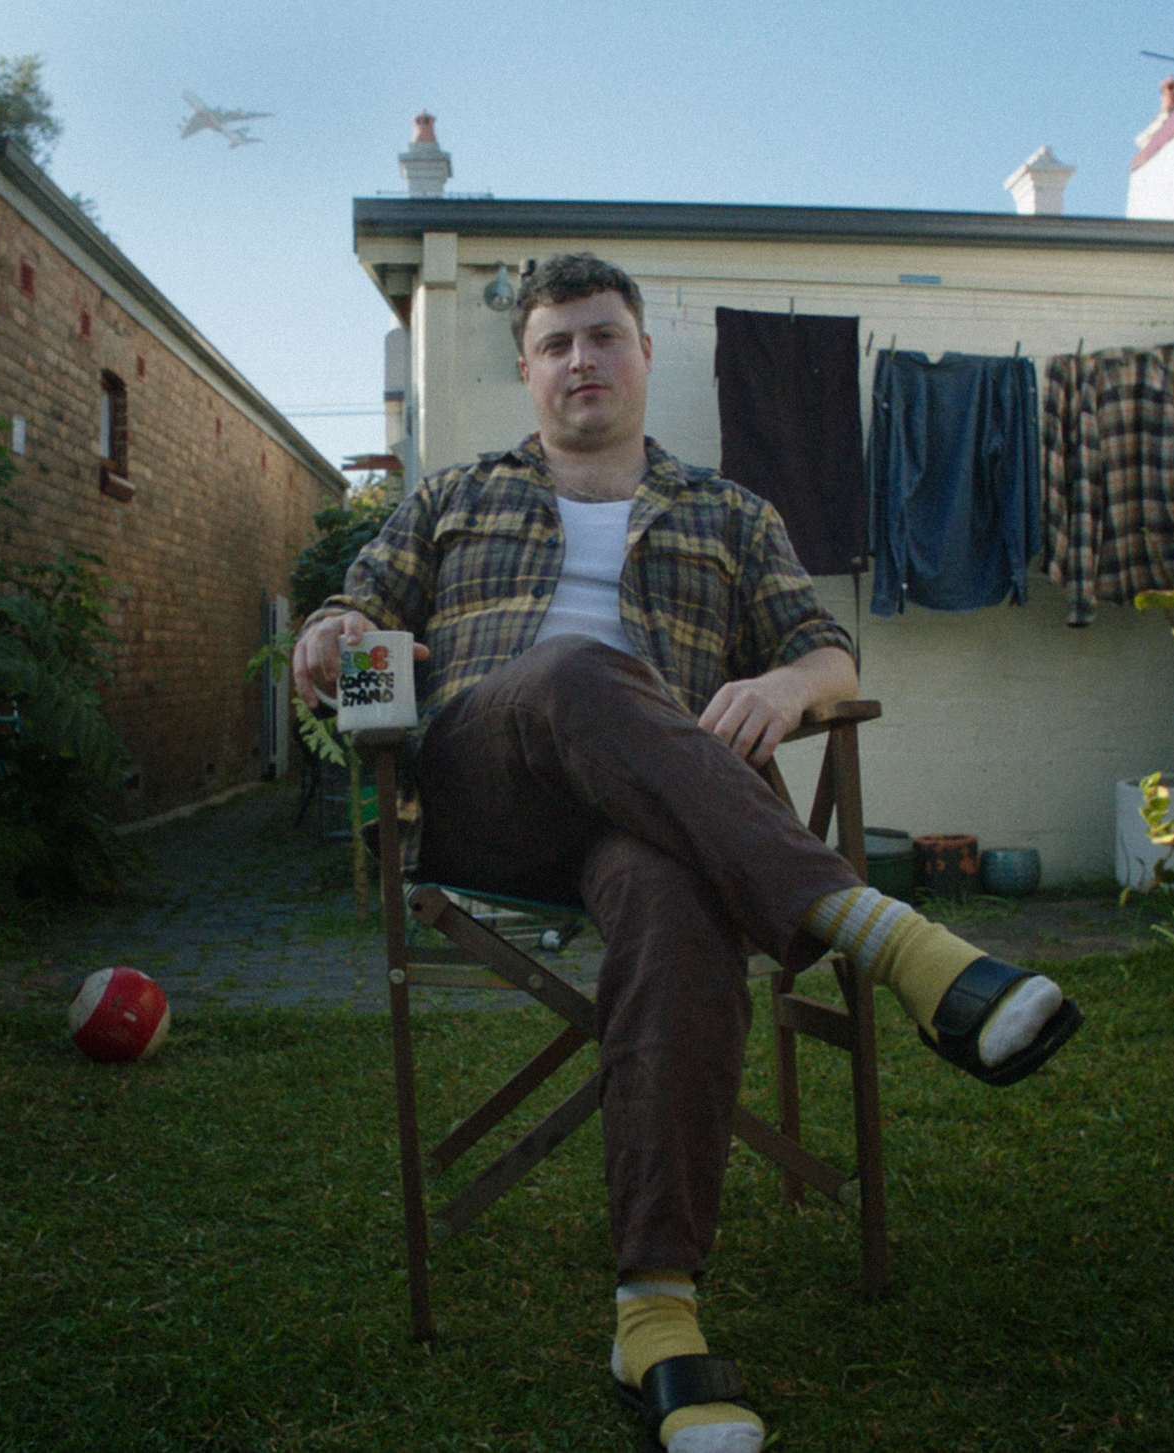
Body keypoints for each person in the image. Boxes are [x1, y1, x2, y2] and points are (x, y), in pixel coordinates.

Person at [293, 254, 1081, 1453]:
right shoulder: (452, 495)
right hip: (491, 798)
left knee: (674, 896)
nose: (581, 360)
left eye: (602, 335)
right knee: (574, 669)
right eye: (555, 343)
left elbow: (826, 652)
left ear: (643, 354)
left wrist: (784, 684)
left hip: (655, 818)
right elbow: (348, 620)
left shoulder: (729, 511)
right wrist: (338, 633)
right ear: (526, 371)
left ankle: (653, 1313)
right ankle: (897, 944)